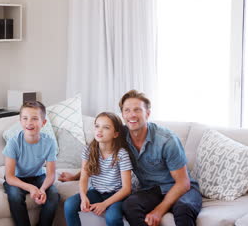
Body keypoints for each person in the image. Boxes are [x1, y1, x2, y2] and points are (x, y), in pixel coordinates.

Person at [120, 90, 202, 226]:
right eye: (127, 110)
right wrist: (76, 176)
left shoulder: (167, 140)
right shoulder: (121, 137)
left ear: (147, 114)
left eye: (137, 110)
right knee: (130, 205)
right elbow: (101, 158)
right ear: (122, 115)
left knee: (184, 208)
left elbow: (183, 183)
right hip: (152, 190)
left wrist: (158, 211)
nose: (132, 114)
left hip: (181, 188)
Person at [64, 112, 132, 226]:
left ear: (115, 134)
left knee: (112, 218)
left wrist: (104, 204)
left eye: (106, 127)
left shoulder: (121, 154)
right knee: (69, 204)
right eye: (97, 126)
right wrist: (83, 195)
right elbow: (84, 177)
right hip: (96, 192)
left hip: (116, 195)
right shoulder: (88, 150)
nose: (99, 130)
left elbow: (126, 189)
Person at [2, 101, 60, 226]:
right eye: (25, 118)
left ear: (43, 123)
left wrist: (43, 189)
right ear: (20, 121)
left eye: (34, 118)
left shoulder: (49, 142)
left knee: (54, 195)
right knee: (15, 196)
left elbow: (50, 175)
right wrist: (31, 188)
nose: (29, 122)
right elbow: (9, 177)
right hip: (16, 179)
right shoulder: (14, 142)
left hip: (38, 176)